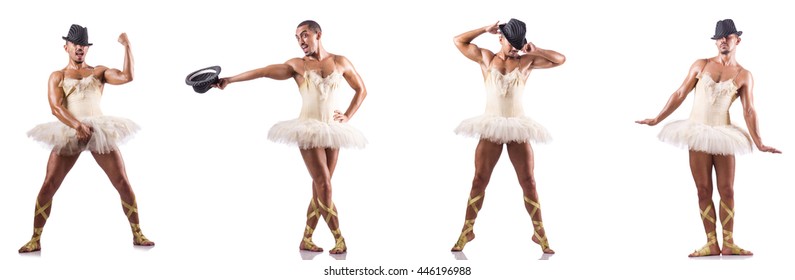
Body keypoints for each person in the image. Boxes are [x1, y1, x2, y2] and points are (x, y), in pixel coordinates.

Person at [214, 20, 367, 254]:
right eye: (297, 38)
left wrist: (347, 115)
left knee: (320, 188)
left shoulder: (340, 61)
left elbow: (362, 90)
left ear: (318, 34)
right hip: (307, 129)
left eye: (304, 35)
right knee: (324, 184)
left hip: (333, 130)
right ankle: (339, 238)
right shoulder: (297, 65)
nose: (301, 41)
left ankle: (306, 239)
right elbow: (263, 71)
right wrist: (230, 79)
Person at [636, 19, 781, 257]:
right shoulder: (701, 65)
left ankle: (730, 242)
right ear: (716, 41)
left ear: (737, 40)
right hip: (697, 131)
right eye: (719, 38)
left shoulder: (744, 75)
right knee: (703, 190)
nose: (723, 41)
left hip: (724, 135)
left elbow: (749, 110)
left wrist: (759, 142)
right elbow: (680, 93)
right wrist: (656, 118)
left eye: (728, 37)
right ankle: (711, 243)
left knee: (728, 190)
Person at [19, 24, 154, 253]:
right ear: (67, 47)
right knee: (49, 184)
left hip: (99, 131)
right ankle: (35, 238)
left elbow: (127, 76)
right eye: (75, 45)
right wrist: (77, 125)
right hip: (70, 130)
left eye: (83, 45)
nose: (80, 48)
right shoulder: (58, 76)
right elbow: (55, 107)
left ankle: (137, 233)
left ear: (87, 49)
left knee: (122, 181)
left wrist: (127, 46)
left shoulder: (98, 72)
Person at [450, 19, 565, 253]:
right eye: (511, 43)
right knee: (479, 179)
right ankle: (467, 230)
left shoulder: (526, 62)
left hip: (517, 125)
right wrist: (484, 29)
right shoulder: (485, 58)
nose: (514, 47)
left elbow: (560, 59)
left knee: (529, 181)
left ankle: (539, 233)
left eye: (518, 43)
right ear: (500, 38)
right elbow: (458, 41)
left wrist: (537, 49)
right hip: (491, 124)